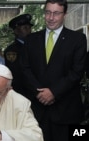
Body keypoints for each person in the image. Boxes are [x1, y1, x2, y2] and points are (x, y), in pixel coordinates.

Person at [20, 0, 87, 141]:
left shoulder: (78, 39)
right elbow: (24, 69)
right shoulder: (31, 39)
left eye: (56, 13)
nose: (51, 18)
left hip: (66, 112)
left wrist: (53, 92)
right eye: (48, 12)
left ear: (65, 14)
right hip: (36, 112)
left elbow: (77, 72)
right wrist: (40, 93)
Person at [4, 13, 33, 95]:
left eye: (29, 27)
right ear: (16, 31)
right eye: (25, 28)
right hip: (19, 92)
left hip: (36, 92)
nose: (28, 30)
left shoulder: (36, 47)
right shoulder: (11, 51)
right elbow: (14, 73)